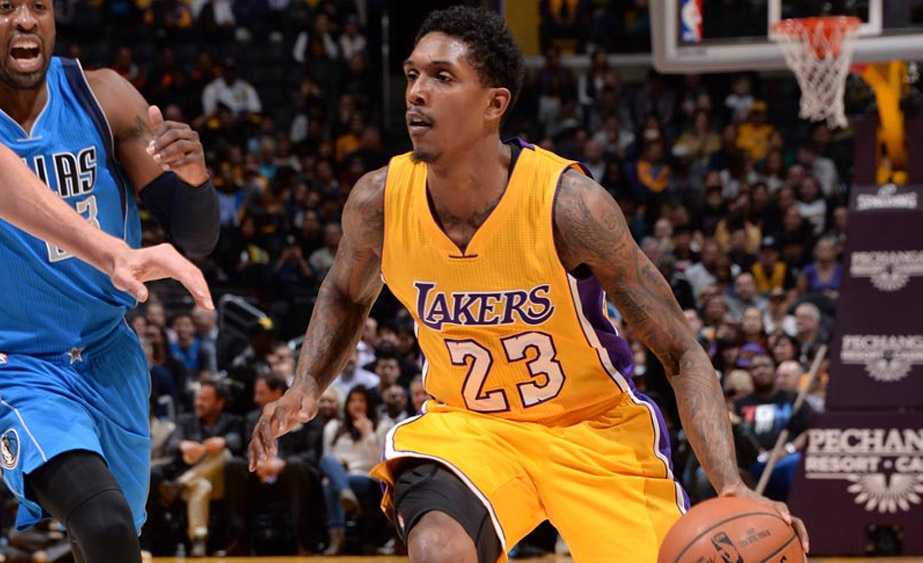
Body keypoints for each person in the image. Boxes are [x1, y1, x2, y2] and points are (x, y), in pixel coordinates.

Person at [249, 7, 809, 562]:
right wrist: (306, 385)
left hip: (595, 431)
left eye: (442, 77)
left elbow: (681, 351)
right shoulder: (379, 202)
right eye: (413, 74)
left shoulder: (571, 206)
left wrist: (730, 483)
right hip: (470, 430)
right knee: (438, 548)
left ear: (495, 103)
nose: (416, 92)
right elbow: (346, 292)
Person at [0, 4, 219, 562]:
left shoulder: (102, 96)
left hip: (108, 353)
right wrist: (113, 252)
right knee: (103, 522)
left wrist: (195, 179)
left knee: (113, 537)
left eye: (38, 6)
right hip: (17, 365)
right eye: (4, 8)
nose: (24, 20)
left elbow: (195, 234)